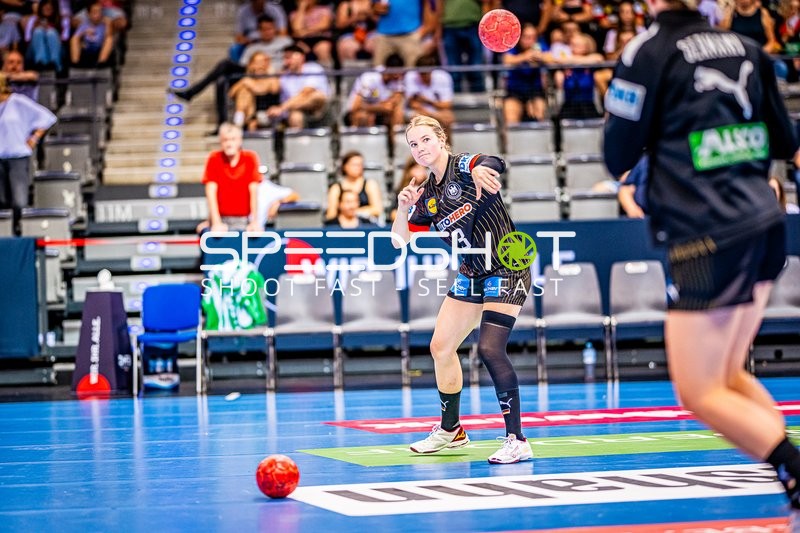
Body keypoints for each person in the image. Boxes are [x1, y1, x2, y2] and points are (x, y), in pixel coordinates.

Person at [604, 0, 800, 519]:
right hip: (766, 221)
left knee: (698, 390)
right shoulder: (749, 47)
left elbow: (616, 157)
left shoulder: (645, 51)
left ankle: (796, 477)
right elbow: (785, 139)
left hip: (703, 234)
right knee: (730, 375)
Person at [393, 115, 533, 464]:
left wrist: (483, 168)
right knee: (441, 347)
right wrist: (402, 207)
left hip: (507, 264)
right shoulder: (427, 196)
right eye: (413, 144)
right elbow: (400, 240)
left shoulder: (464, 166)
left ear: (441, 139)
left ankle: (517, 439)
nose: (420, 148)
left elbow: (494, 162)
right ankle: (451, 429)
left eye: (426, 140)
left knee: (489, 349)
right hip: (472, 272)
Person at [0, 72, 57, 235]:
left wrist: (34, 138)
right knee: (2, 200)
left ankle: (20, 231)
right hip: (0, 158)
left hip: (18, 156)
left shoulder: (18, 102)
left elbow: (47, 118)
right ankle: (5, 233)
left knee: (19, 200)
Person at [197, 122, 263, 234]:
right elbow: (211, 192)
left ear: (240, 141)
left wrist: (254, 221)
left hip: (243, 219)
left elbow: (253, 190)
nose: (229, 144)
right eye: (225, 140)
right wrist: (216, 222)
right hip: (221, 218)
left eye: (233, 139)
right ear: (220, 142)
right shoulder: (214, 158)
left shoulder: (250, 158)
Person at [325, 150, 383, 221]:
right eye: (354, 165)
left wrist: (353, 212)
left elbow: (377, 210)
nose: (358, 168)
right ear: (345, 166)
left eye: (360, 165)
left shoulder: (370, 184)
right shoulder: (336, 188)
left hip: (366, 225)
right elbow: (331, 214)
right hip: (342, 226)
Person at [228, 51, 280, 131]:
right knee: (244, 92)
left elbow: (264, 90)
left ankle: (238, 123)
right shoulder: (246, 79)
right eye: (257, 62)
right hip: (250, 112)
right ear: (251, 64)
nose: (261, 65)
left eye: (263, 61)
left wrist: (249, 83)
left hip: (267, 113)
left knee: (253, 122)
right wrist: (245, 81)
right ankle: (239, 122)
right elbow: (231, 94)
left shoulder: (272, 78)